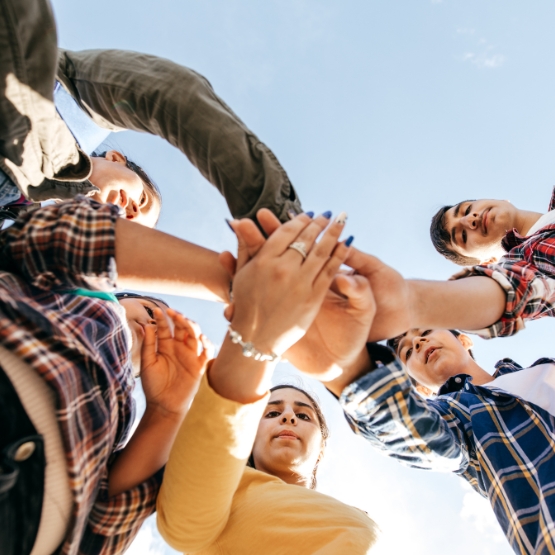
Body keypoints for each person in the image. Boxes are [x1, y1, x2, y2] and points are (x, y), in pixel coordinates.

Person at [0, 195, 230, 555]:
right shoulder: (82, 292)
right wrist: (234, 284)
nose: (157, 323)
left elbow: (107, 522)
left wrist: (168, 410)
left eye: (169, 327)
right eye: (151, 308)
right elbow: (57, 237)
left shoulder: (123, 417)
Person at [156, 211, 379, 555]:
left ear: (322, 446)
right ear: (247, 435)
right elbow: (184, 527)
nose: (288, 417)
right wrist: (257, 335)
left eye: (304, 416)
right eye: (271, 413)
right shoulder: (228, 492)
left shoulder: (355, 515)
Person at [1, 0, 302, 230]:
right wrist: (278, 224)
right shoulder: (83, 108)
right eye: (142, 200)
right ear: (116, 159)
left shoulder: (19, 228)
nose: (129, 213)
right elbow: (170, 94)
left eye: (126, 227)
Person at [429, 188, 554, 266]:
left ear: (499, 199)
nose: (470, 219)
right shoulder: (534, 265)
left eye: (467, 209)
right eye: (463, 236)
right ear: (487, 262)